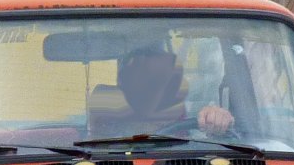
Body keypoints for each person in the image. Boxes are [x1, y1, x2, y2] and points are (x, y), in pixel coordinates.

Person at [88, 46, 234, 137]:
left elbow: (216, 136)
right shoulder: (104, 136)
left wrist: (218, 119)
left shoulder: (190, 121)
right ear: (124, 87)